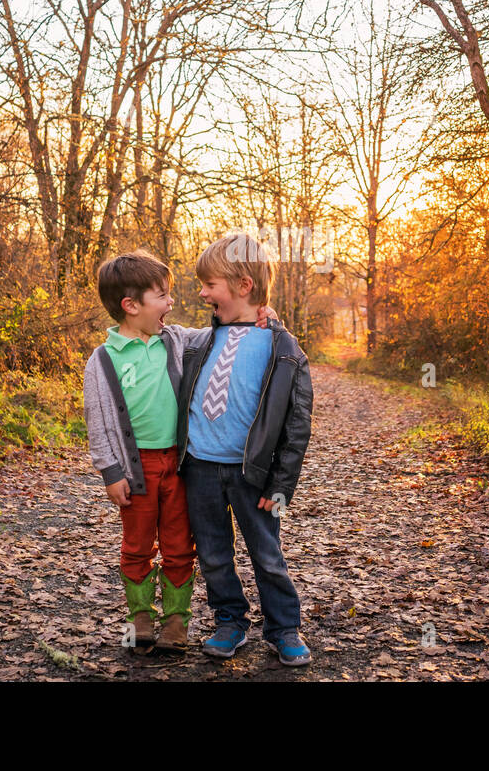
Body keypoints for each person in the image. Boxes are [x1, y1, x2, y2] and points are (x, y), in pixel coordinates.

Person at [82, 249, 271, 653]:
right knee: (136, 545)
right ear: (131, 306)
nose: (172, 303)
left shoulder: (175, 340)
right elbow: (97, 423)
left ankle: (176, 621)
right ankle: (141, 616)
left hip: (180, 465)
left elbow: (222, 331)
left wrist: (262, 316)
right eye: (162, 296)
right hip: (136, 472)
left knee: (178, 545)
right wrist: (110, 472)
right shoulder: (102, 360)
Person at [175, 232, 314, 666]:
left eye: (209, 284)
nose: (201, 293)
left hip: (250, 473)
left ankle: (283, 626)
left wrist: (281, 486)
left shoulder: (282, 347)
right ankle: (229, 620)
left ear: (243, 285)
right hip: (198, 468)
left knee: (266, 554)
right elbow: (158, 335)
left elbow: (296, 426)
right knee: (214, 553)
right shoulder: (201, 340)